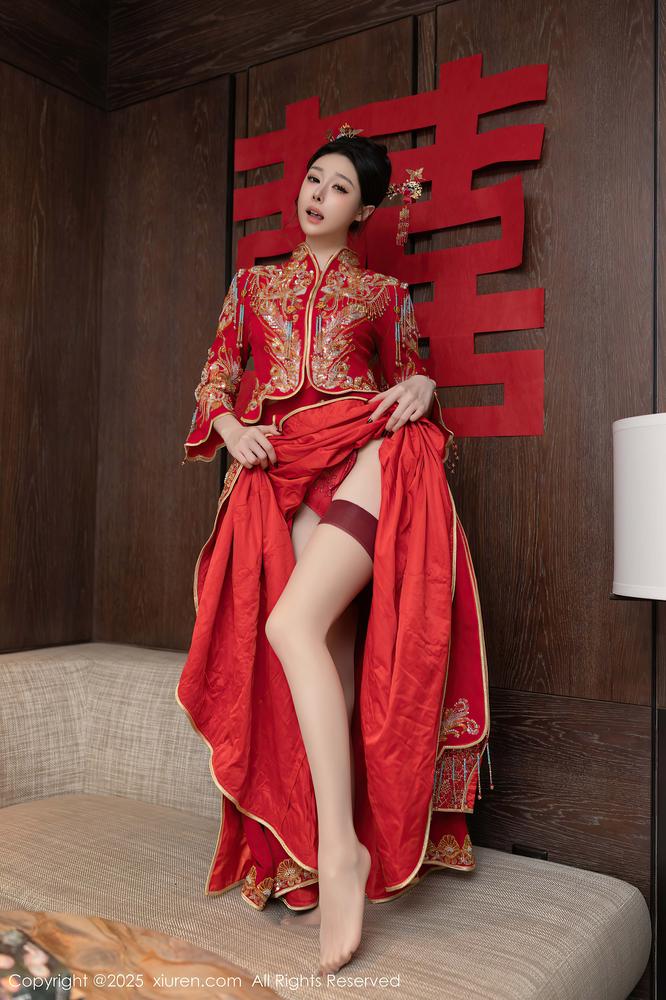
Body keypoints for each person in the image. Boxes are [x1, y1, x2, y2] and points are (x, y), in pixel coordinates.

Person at [176, 126, 491, 977]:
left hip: (366, 458)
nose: (318, 195)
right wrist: (232, 427)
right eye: (314, 179)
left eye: (339, 187)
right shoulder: (252, 285)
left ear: (365, 211)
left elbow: (409, 378)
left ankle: (343, 854)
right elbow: (215, 378)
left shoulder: (385, 295)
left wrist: (423, 382)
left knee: (290, 628)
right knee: (322, 651)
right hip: (282, 471)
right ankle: (318, 851)